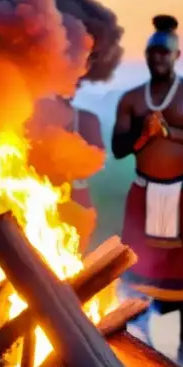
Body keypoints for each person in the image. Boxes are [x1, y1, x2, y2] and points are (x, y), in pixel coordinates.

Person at [111, 15, 183, 367]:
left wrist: (172, 133)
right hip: (143, 193)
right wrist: (146, 136)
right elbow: (118, 147)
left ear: (177, 55)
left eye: (164, 52)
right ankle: (139, 342)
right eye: (152, 52)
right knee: (135, 268)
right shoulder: (131, 99)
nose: (157, 58)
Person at [27, 85, 106, 253]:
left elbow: (96, 162)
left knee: (71, 262)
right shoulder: (28, 120)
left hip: (76, 202)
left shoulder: (86, 120)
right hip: (34, 202)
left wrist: (63, 152)